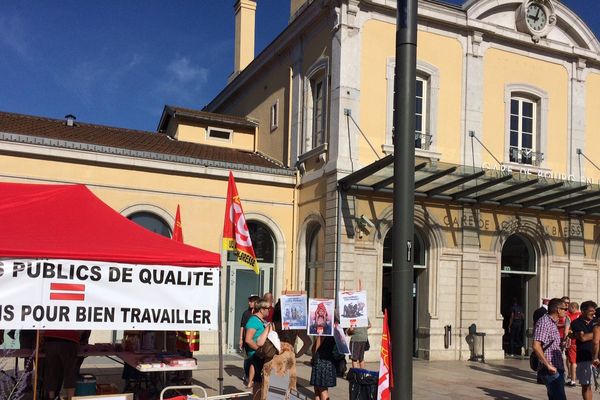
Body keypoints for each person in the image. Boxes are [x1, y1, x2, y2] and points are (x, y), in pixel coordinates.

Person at [533, 297, 568, 400]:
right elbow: (536, 345)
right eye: (564, 309)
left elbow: (550, 343)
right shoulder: (544, 322)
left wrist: (563, 343)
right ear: (558, 309)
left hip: (557, 366)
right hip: (550, 369)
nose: (566, 311)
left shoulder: (552, 323)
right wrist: (548, 365)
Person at [43, 329, 82, 400]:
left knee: (51, 370)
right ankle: (70, 397)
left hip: (50, 337)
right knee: (70, 371)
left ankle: (51, 397)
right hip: (69, 338)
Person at [244, 300, 272, 395]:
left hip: (259, 355)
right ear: (261, 309)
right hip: (256, 355)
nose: (269, 311)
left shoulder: (260, 320)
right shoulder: (253, 321)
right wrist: (259, 350)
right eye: (268, 309)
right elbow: (248, 339)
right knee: (258, 382)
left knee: (260, 382)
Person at [571, 300, 597, 400]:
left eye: (594, 311)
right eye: (591, 311)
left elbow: (585, 336)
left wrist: (589, 335)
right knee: (586, 385)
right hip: (584, 357)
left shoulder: (596, 321)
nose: (593, 313)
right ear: (583, 311)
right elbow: (582, 338)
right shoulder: (576, 323)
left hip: (597, 356)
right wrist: (597, 334)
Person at [240, 294, 260, 386]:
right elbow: (242, 327)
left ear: (256, 302)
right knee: (247, 359)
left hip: (255, 342)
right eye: (249, 301)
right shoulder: (246, 313)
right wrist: (241, 339)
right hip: (246, 340)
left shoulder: (258, 313)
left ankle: (252, 377)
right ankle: (247, 375)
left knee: (253, 360)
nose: (249, 303)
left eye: (251, 301)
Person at [311, 335, 337, 400]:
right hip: (330, 357)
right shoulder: (337, 326)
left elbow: (321, 338)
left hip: (322, 357)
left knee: (322, 389)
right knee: (318, 387)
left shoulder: (327, 326)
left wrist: (314, 354)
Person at [566, 301, 581, 387]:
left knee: (573, 362)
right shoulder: (583, 316)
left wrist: (565, 337)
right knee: (583, 361)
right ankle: (584, 381)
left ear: (573, 308)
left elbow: (566, 331)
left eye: (569, 307)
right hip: (583, 342)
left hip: (573, 342)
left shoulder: (569, 317)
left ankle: (573, 380)